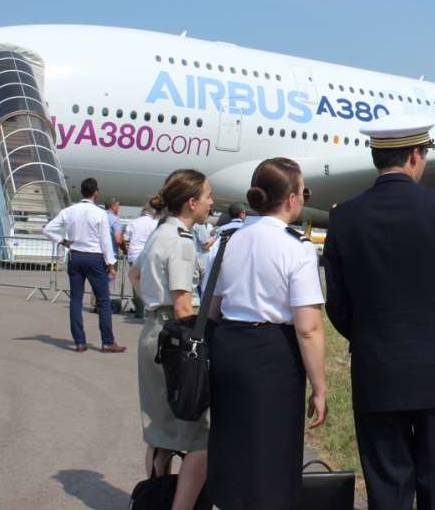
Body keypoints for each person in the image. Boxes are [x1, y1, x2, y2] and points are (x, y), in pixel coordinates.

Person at [323, 116, 435, 510]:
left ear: (376, 157)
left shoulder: (344, 216)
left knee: (388, 489)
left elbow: (338, 302)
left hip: (376, 368)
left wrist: (370, 335)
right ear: (416, 156)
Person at [205, 157, 327, 509]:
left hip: (228, 345)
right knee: (273, 451)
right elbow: (308, 328)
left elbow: (211, 309)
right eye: (303, 191)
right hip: (272, 354)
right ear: (291, 198)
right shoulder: (297, 246)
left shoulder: (228, 240)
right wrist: (319, 388)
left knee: (230, 444)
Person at [128, 170, 215, 510]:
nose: (211, 202)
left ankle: (153, 498)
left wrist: (151, 303)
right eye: (207, 196)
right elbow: (182, 305)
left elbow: (135, 274)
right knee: (202, 437)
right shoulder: (180, 241)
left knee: (160, 431)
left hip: (153, 331)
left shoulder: (158, 231)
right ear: (192, 202)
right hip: (176, 339)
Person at [43, 178, 125, 353]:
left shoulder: (69, 211)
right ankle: (107, 341)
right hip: (94, 257)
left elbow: (48, 229)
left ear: (81, 191)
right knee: (103, 301)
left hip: (75, 255)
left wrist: (63, 241)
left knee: (75, 300)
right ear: (96, 192)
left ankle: (80, 342)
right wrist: (111, 264)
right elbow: (105, 241)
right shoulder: (99, 213)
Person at [123, 205, 159, 318]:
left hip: (134, 255)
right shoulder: (155, 223)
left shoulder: (134, 223)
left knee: (136, 283)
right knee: (149, 283)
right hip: (149, 255)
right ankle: (150, 309)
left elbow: (125, 238)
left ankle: (140, 310)